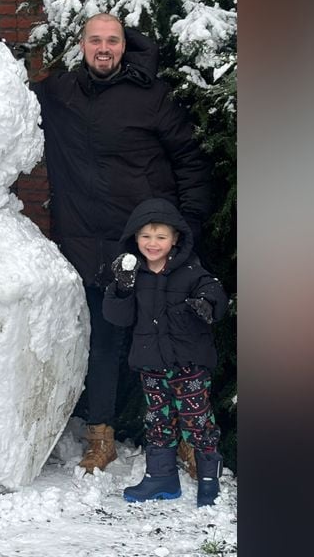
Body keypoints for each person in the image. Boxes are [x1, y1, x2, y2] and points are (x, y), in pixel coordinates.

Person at [32, 13, 213, 472]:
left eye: (112, 40)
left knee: (173, 343)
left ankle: (188, 439)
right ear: (82, 45)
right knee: (104, 344)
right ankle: (101, 436)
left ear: (123, 46)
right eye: (95, 40)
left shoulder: (152, 98)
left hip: (149, 247)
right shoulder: (59, 94)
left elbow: (190, 162)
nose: (104, 48)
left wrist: (184, 229)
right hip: (89, 246)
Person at [103, 198, 228, 505]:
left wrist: (206, 305)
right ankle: (162, 478)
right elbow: (119, 317)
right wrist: (120, 288)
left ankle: (209, 482)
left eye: (160, 237)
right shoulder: (132, 276)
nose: (153, 243)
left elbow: (215, 292)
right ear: (135, 238)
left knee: (198, 422)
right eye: (146, 236)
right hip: (152, 364)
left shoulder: (191, 272)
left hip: (190, 365)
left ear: (175, 239)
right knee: (158, 422)